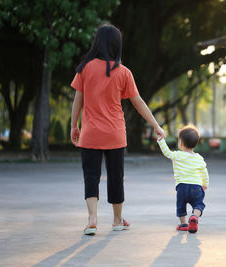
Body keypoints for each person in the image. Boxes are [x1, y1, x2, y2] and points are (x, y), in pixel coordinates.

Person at [70, 24, 165, 235]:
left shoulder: (84, 68)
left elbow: (78, 100)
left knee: (91, 177)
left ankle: (92, 219)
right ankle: (116, 220)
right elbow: (138, 102)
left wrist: (74, 126)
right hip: (115, 134)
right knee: (116, 177)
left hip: (91, 133)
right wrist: (156, 126)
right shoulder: (123, 72)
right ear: (116, 45)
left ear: (97, 43)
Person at [157, 125, 209, 233]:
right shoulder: (199, 158)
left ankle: (183, 224)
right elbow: (204, 173)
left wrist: (161, 141)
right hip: (197, 187)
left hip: (182, 187)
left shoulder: (177, 155)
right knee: (198, 204)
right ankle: (194, 217)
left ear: (180, 142)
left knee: (181, 205)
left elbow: (167, 153)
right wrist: (205, 184)